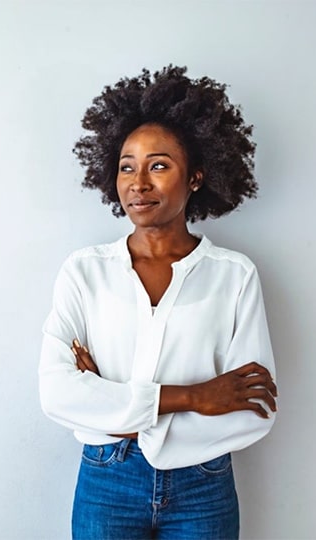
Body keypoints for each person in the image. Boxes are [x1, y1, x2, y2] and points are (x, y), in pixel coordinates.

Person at [38, 66, 278, 539]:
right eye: (127, 166)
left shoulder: (234, 275)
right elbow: (58, 394)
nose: (138, 182)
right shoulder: (84, 272)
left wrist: (113, 407)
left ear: (195, 177)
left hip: (202, 486)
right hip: (108, 480)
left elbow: (253, 411)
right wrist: (195, 397)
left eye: (159, 165)